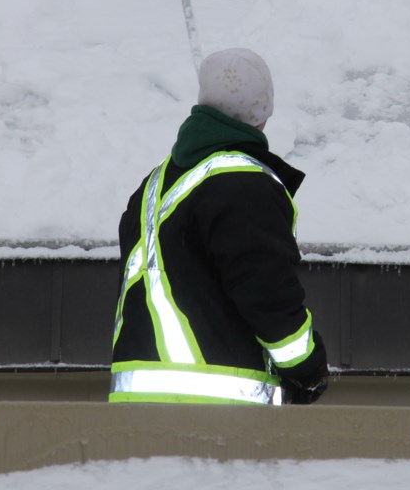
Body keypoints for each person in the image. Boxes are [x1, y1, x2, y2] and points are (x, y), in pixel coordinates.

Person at [110, 47, 328, 405]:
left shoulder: (153, 187)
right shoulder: (243, 186)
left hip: (135, 411)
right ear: (263, 115)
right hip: (215, 415)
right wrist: (309, 371)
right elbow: (269, 297)